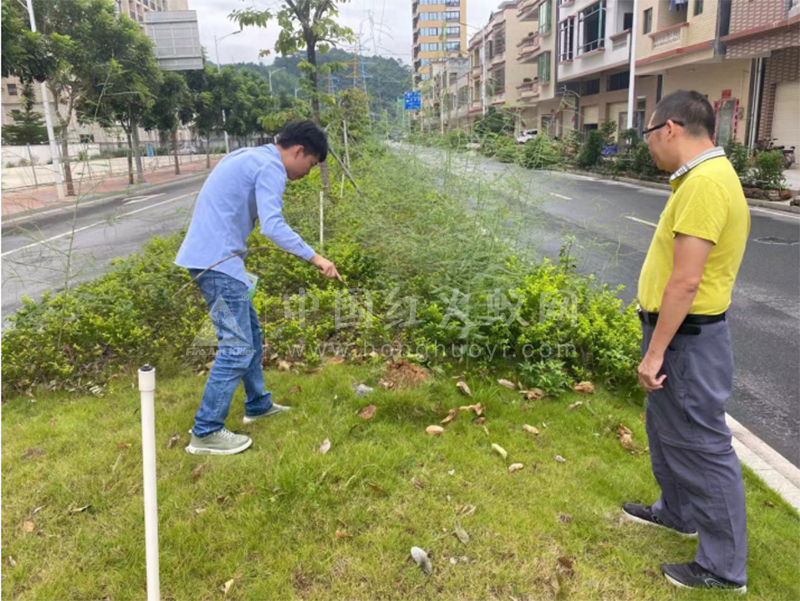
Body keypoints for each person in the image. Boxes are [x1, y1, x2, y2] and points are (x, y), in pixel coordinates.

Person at [623, 90, 750, 592]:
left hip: (686, 342)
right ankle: (677, 512)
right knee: (666, 429)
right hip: (677, 335)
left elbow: (685, 281)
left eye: (649, 134)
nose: (649, 146)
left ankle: (722, 568)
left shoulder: (705, 185)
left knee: (702, 445)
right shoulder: (701, 179)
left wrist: (655, 352)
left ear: (670, 129)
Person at [175, 120, 341, 456]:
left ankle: (258, 405)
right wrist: (316, 258)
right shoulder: (271, 167)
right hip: (217, 263)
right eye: (310, 165)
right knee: (236, 346)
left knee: (249, 333)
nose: (307, 174)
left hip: (215, 260)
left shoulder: (249, 156)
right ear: (297, 151)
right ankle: (206, 432)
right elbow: (273, 226)